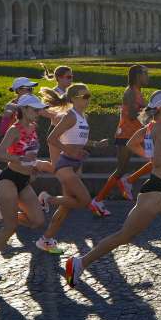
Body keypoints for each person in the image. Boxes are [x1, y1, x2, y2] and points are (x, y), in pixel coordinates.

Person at [64, 90, 161, 294]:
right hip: (155, 190)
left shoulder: (151, 126)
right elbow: (156, 161)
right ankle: (79, 263)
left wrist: (151, 155)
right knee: (124, 235)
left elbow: (132, 144)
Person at [0, 94, 52, 280]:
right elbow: (0, 154)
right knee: (10, 227)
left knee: (37, 221)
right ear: (24, 110)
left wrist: (34, 166)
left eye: (39, 110)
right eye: (35, 110)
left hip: (25, 180)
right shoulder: (14, 130)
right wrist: (20, 159)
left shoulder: (34, 128)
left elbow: (30, 153)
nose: (38, 113)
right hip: (9, 179)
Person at [34, 83, 110, 254]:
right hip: (66, 164)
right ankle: (47, 199)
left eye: (89, 95)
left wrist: (96, 144)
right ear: (74, 99)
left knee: (67, 206)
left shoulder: (83, 116)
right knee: (84, 201)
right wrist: (69, 150)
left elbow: (80, 139)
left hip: (75, 165)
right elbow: (51, 138)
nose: (88, 99)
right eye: (85, 96)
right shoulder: (70, 116)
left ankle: (46, 240)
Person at [91, 64, 150, 215]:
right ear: (138, 75)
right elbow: (132, 115)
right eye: (145, 73)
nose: (147, 76)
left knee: (153, 160)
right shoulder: (130, 92)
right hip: (126, 135)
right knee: (123, 169)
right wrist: (151, 111)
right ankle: (99, 199)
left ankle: (101, 198)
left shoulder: (136, 91)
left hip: (133, 135)